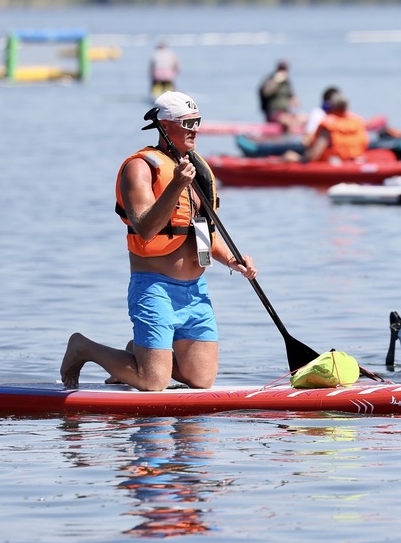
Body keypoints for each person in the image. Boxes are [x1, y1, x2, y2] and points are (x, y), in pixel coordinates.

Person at [61, 91, 258, 391]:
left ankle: (140, 355)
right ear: (165, 125)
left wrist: (232, 259)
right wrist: (176, 184)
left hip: (195, 291)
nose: (195, 128)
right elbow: (145, 229)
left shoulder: (198, 169)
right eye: (187, 122)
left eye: (198, 121)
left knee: (201, 380)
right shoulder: (139, 168)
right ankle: (83, 347)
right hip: (155, 287)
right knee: (154, 382)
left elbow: (203, 232)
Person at [303, 92, 369, 162]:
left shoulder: (328, 125)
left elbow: (315, 154)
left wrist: (300, 159)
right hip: (355, 161)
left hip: (336, 163)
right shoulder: (358, 122)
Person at [258, 59, 304, 134]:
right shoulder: (270, 79)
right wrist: (276, 81)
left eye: (285, 69)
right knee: (289, 122)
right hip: (273, 113)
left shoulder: (287, 83)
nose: (283, 72)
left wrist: (295, 102)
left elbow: (292, 97)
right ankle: (288, 143)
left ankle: (298, 139)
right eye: (281, 69)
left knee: (303, 118)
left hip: (286, 112)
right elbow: (266, 92)